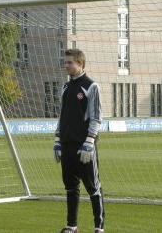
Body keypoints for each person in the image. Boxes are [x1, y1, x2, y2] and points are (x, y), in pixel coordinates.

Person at [53, 49, 105, 233]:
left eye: (69, 63)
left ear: (80, 64)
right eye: (65, 62)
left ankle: (99, 228)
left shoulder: (91, 86)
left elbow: (96, 117)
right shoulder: (66, 87)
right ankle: (71, 226)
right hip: (66, 145)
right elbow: (62, 115)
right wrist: (58, 140)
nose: (66, 65)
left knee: (93, 187)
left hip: (84, 146)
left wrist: (90, 141)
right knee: (70, 188)